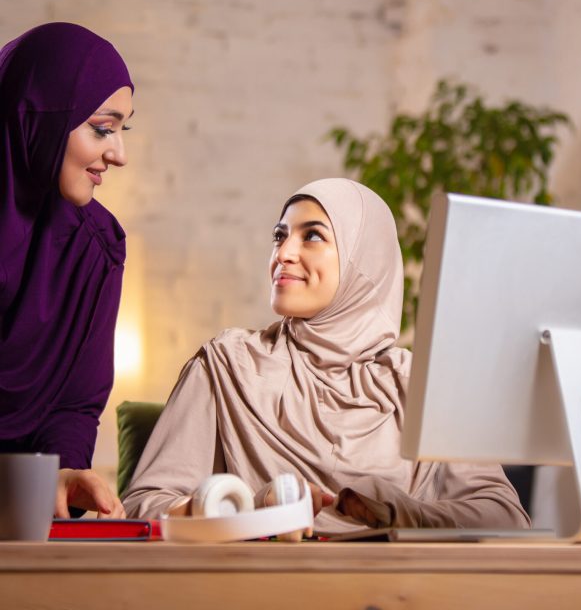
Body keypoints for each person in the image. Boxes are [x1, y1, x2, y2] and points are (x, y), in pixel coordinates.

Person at [122, 178, 530, 534]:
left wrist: (401, 511)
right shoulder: (227, 365)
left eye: (311, 236)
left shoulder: (420, 384)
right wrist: (248, 509)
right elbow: (145, 505)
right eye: (280, 236)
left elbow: (503, 515)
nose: (283, 254)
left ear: (363, 260)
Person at [0, 22, 134, 519]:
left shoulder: (97, 249)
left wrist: (62, 472)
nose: (119, 154)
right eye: (103, 128)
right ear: (35, 117)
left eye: (124, 129)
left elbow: (76, 404)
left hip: (23, 512)